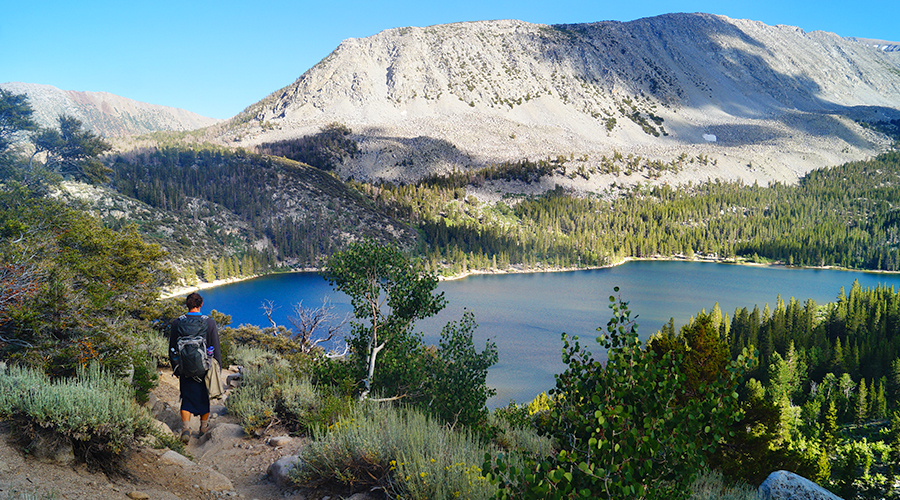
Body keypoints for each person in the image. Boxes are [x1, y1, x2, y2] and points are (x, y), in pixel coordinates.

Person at [168, 292, 221, 443]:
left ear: (187, 305)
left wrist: (177, 368)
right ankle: (203, 428)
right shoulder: (208, 322)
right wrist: (217, 368)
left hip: (184, 368)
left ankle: (186, 428)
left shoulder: (177, 323)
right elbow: (214, 346)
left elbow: (172, 348)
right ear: (201, 305)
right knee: (203, 397)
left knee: (186, 397)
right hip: (203, 368)